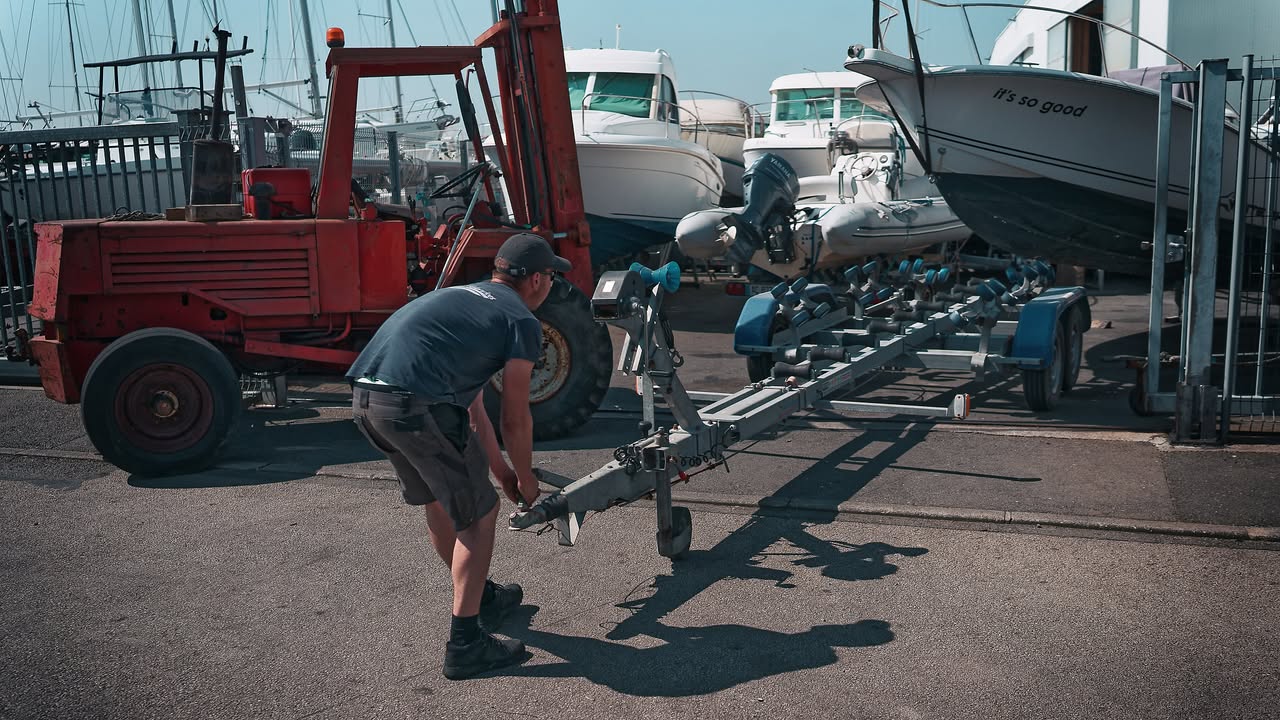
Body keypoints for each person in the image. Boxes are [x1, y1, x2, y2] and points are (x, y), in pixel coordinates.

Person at [346, 233, 569, 680]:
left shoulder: (459, 298)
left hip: (368, 402)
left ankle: (481, 597)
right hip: (417, 406)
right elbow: (515, 418)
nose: (551, 287)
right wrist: (526, 479)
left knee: (441, 501)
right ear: (539, 280)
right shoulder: (519, 320)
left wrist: (502, 469)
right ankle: (466, 643)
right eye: (552, 278)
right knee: (478, 517)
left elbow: (471, 408)